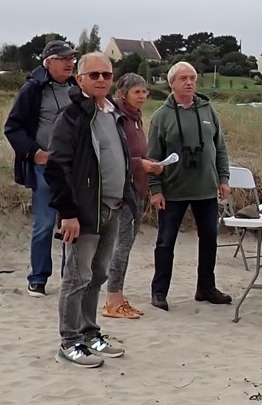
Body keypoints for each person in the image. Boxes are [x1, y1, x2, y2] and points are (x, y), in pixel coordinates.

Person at [46, 53, 138, 368]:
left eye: (107, 75)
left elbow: (120, 158)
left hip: (113, 207)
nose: (101, 80)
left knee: (98, 274)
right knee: (77, 276)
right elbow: (57, 168)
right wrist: (68, 213)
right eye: (94, 74)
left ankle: (89, 333)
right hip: (84, 212)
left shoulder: (113, 113)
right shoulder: (71, 117)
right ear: (80, 79)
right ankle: (68, 341)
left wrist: (126, 195)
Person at [147, 61, 232, 311]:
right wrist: (155, 189)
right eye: (183, 78)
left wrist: (224, 179)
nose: (189, 82)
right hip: (173, 190)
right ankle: (159, 291)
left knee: (209, 239)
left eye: (192, 78)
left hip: (205, 188)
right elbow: (152, 158)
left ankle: (206, 288)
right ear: (171, 82)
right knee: (165, 241)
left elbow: (220, 148)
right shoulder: (161, 117)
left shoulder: (208, 111)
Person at [4, 39, 79, 297]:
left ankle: (69, 277)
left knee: (72, 223)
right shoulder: (33, 89)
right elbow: (12, 127)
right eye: (64, 59)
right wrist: (34, 153)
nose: (70, 63)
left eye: (72, 59)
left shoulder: (78, 88)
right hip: (45, 167)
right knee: (45, 224)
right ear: (49, 62)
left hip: (75, 169)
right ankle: (38, 278)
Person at [101, 73, 164, 319]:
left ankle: (117, 296)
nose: (142, 96)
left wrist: (152, 164)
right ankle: (112, 299)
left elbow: (137, 153)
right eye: (137, 92)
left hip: (137, 189)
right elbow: (115, 156)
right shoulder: (117, 117)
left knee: (125, 246)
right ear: (122, 93)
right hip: (121, 191)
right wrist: (142, 164)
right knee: (121, 245)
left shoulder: (136, 118)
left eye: (144, 92)